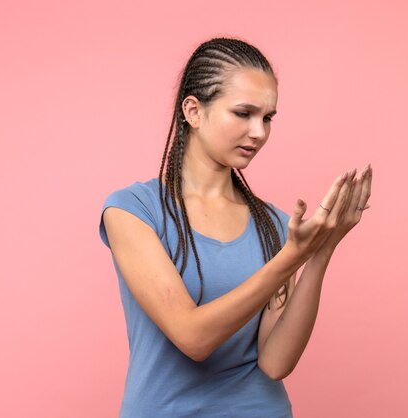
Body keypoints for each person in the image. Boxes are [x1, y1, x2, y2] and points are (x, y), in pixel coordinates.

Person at [98, 36, 372, 418]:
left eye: (268, 118)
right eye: (243, 113)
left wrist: (319, 252)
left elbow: (275, 362)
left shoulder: (273, 225)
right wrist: (290, 257)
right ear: (193, 111)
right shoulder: (133, 211)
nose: (259, 132)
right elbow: (193, 338)